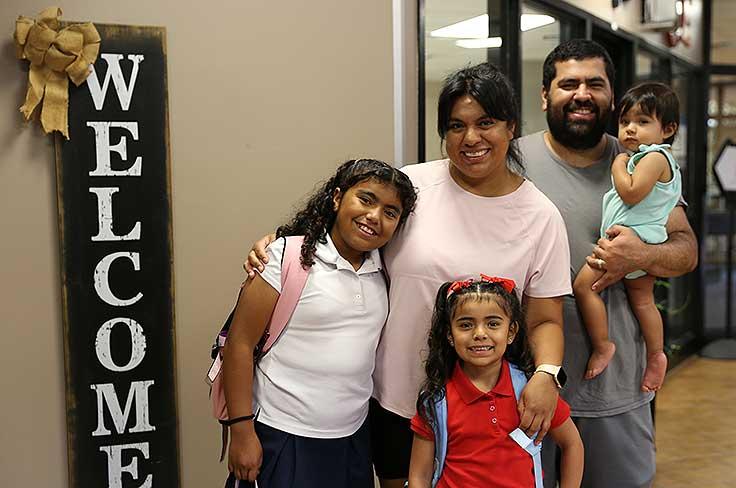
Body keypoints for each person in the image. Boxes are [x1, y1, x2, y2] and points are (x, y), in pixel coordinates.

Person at [245, 63, 572, 488]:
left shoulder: (541, 216)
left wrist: (547, 374)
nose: (470, 138)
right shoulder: (413, 189)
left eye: (485, 123)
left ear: (511, 127)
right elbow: (346, 233)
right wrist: (278, 242)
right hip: (390, 400)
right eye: (456, 125)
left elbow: (544, 319)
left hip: (482, 408)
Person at [518, 40, 697, 487]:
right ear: (545, 96)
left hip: (616, 389)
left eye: (594, 84)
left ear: (611, 96)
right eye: (568, 83)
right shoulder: (513, 160)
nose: (582, 94)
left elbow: (686, 250)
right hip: (525, 386)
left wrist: (643, 255)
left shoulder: (641, 161)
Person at [222, 159, 417, 488]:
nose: (374, 217)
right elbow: (239, 344)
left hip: (352, 440)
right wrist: (241, 430)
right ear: (338, 198)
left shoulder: (386, 270)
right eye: (366, 199)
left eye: (390, 212)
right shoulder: (286, 257)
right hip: (282, 435)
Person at [408, 277, 583, 488]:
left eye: (493, 324)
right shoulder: (436, 401)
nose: (480, 334)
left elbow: (572, 444)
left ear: (511, 332)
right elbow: (419, 476)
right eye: (466, 324)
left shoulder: (533, 391)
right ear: (449, 335)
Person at [574, 82, 682, 392]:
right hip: (644, 240)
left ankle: (603, 345)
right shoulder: (651, 157)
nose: (630, 129)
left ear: (668, 128)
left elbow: (632, 192)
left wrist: (619, 165)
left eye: (642, 122)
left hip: (629, 243)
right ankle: (656, 354)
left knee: (583, 287)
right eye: (625, 122)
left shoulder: (655, 158)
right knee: (644, 301)